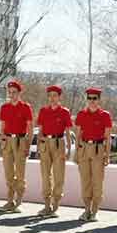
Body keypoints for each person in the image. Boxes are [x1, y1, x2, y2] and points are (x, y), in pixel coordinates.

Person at [73, 87, 113, 221]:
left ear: (99, 99)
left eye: (94, 98)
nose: (91, 101)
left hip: (98, 149)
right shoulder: (81, 114)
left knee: (97, 181)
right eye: (89, 98)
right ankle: (86, 209)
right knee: (85, 180)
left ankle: (95, 210)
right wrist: (76, 153)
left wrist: (107, 155)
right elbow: (78, 135)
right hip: (84, 148)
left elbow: (108, 138)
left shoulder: (105, 115)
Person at [36, 85, 73, 217]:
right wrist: (39, 145)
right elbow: (40, 131)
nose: (52, 98)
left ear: (59, 97)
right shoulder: (43, 111)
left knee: (59, 175)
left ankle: (55, 204)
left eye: (55, 95)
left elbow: (68, 132)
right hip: (46, 143)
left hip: (59, 143)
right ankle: (46, 205)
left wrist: (68, 149)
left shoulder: (64, 112)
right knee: (45, 175)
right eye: (50, 95)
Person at [0, 80, 34, 212]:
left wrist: (28, 145)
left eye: (14, 92)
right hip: (8, 140)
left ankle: (18, 200)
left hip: (20, 140)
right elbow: (2, 126)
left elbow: (30, 128)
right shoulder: (5, 107)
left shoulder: (25, 107)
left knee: (19, 172)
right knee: (8, 172)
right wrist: (2, 140)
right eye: (10, 92)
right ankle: (9, 200)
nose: (12, 95)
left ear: (19, 93)